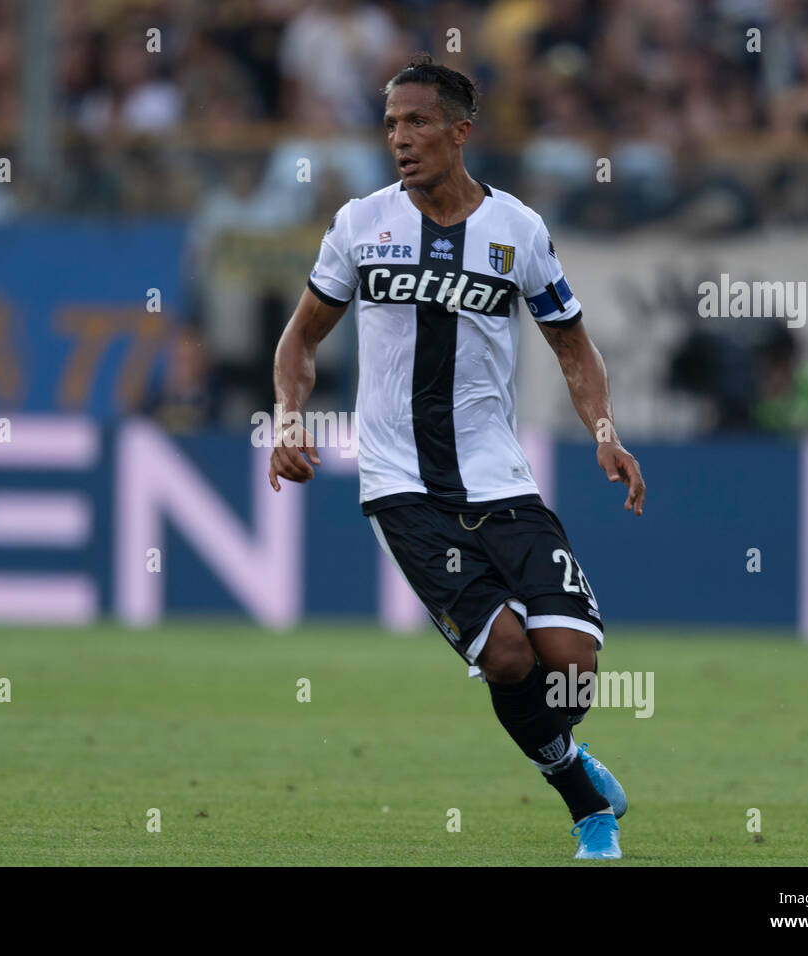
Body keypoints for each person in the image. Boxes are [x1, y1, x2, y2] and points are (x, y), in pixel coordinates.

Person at [269, 54, 646, 860]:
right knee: (508, 655)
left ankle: (566, 751)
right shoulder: (360, 225)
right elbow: (301, 336)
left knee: (571, 669)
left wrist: (605, 434)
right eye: (391, 124)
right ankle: (587, 809)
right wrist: (287, 416)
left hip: (498, 476)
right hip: (402, 486)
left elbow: (572, 345)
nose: (400, 139)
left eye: (417, 122)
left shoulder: (517, 230)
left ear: (460, 132)